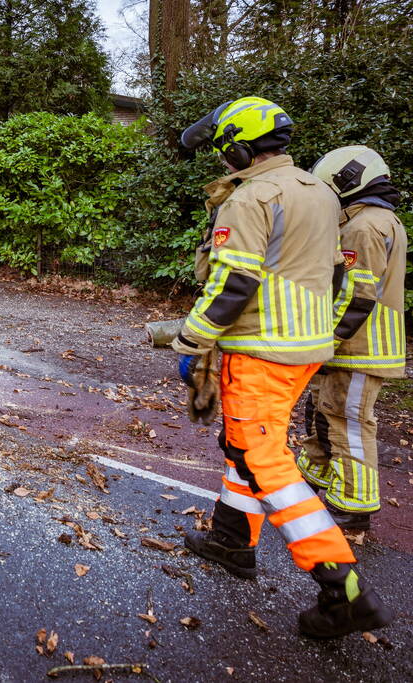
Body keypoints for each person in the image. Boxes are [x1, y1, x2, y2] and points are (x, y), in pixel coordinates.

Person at [174, 97, 393, 638]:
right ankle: (232, 539)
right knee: (244, 443)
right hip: (304, 350)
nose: (222, 160)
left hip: (261, 352)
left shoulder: (252, 196)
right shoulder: (320, 192)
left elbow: (234, 281)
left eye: (224, 151)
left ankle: (342, 589)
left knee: (262, 457)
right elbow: (335, 277)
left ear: (238, 149)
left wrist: (192, 337)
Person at [297, 146, 407, 531]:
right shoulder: (379, 219)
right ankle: (314, 473)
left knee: (349, 422)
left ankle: (355, 504)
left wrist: (325, 341)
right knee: (325, 411)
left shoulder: (363, 227)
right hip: (356, 344)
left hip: (360, 346)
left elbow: (355, 296)